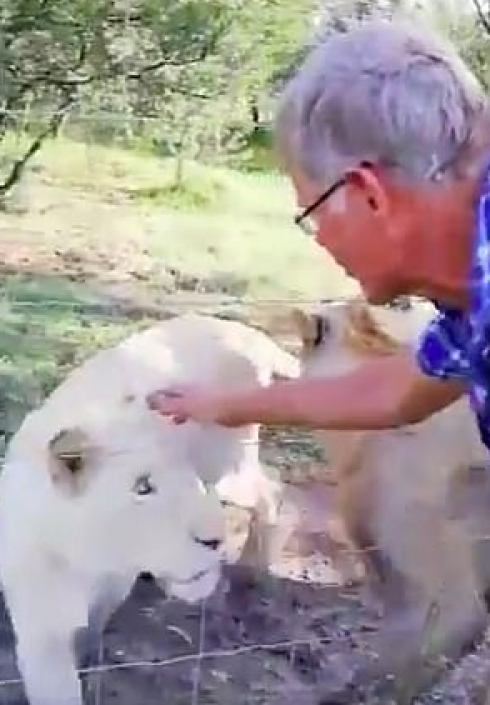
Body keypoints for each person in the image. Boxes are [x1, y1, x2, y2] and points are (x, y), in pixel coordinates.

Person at [148, 18, 490, 452]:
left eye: (313, 213)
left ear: (369, 195)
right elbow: (393, 390)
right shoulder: (469, 298)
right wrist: (224, 406)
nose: (321, 240)